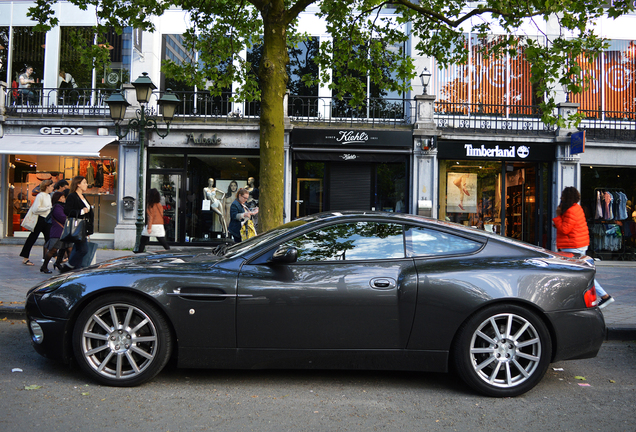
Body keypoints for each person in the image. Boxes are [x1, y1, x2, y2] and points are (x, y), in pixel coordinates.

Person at [553, 186, 615, 308]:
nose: (561, 198)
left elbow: (565, 229)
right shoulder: (576, 208)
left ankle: (604, 296)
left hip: (573, 246)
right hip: (576, 245)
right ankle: (592, 298)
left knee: (581, 274)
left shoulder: (571, 210)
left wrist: (557, 217)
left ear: (567, 197)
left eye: (563, 196)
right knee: (577, 273)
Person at [59, 176, 94, 273]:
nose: (86, 185)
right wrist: (81, 211)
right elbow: (67, 211)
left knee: (78, 248)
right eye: (84, 182)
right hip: (77, 226)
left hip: (83, 227)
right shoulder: (72, 196)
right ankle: (68, 267)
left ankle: (76, 270)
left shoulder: (83, 197)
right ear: (78, 184)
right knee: (83, 249)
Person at [19, 179, 54, 266]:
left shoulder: (48, 196)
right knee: (32, 238)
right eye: (52, 186)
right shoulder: (40, 196)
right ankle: (25, 258)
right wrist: (48, 208)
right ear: (47, 186)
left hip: (46, 220)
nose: (53, 188)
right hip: (39, 220)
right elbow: (35, 209)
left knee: (49, 239)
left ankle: (56, 257)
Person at [41, 191, 72, 273]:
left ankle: (61, 264)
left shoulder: (63, 206)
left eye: (63, 197)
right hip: (58, 232)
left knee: (67, 248)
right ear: (56, 199)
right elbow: (62, 218)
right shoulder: (57, 207)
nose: (63, 199)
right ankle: (44, 266)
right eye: (61, 197)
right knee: (53, 250)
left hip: (64, 232)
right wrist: (70, 217)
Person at [136, 188, 171, 253]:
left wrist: (149, 227)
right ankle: (169, 250)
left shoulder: (150, 205)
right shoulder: (159, 205)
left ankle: (139, 253)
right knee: (161, 239)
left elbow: (150, 217)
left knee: (143, 239)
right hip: (160, 224)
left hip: (153, 224)